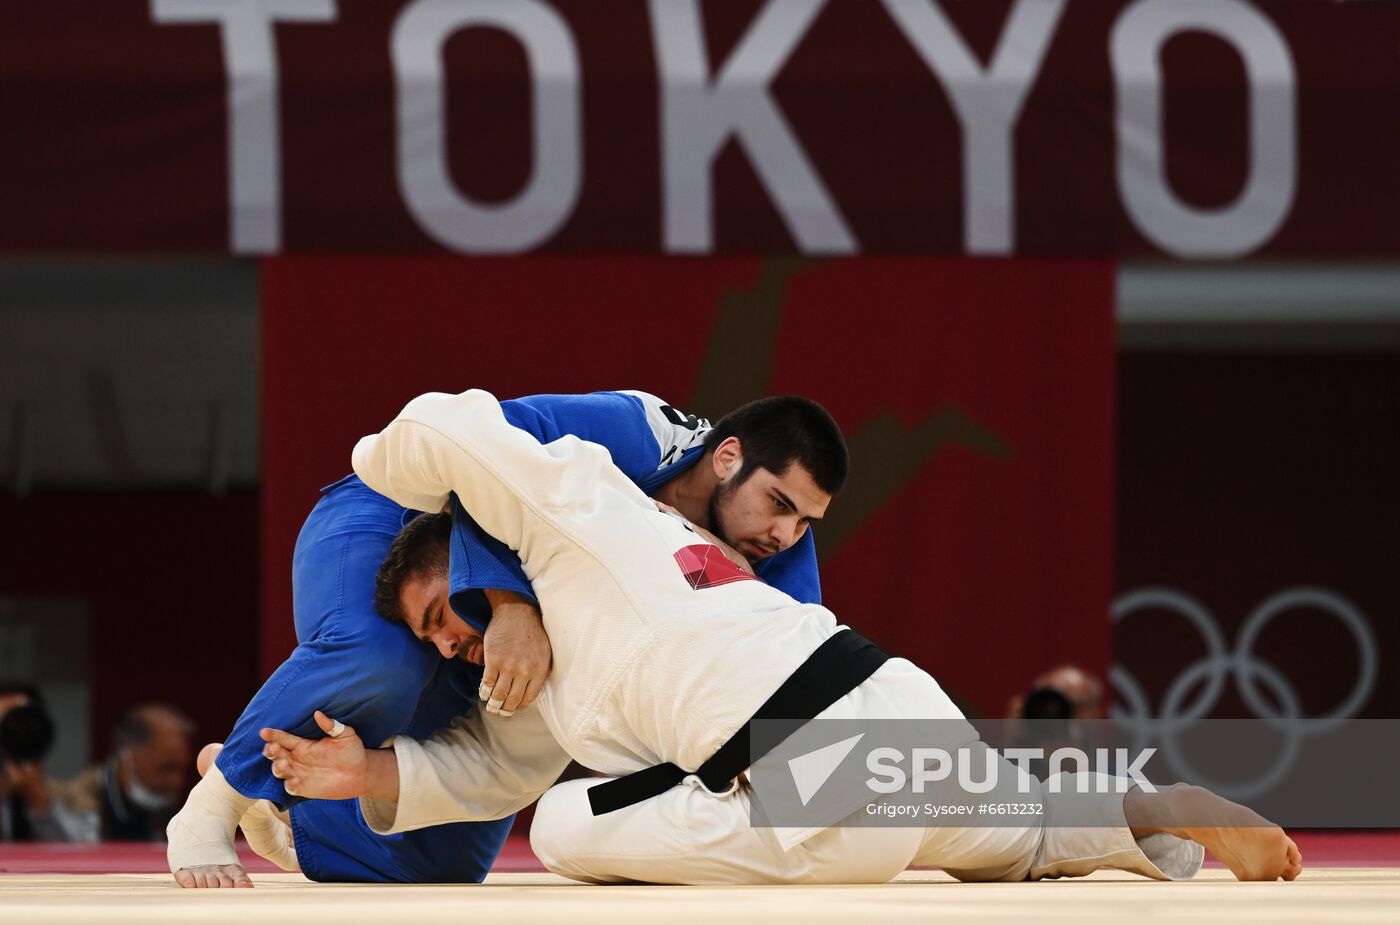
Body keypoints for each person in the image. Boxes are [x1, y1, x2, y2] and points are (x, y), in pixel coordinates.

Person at [262, 389, 1303, 885]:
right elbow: (492, 767)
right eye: (436, 641)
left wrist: (383, 473)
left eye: (448, 612)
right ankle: (1141, 812)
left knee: (569, 822)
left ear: (482, 550)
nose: (452, 646)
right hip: (899, 707)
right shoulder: (652, 581)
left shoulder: (568, 500)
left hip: (805, 775)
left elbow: (440, 424)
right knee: (1006, 828)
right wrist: (374, 774)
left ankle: (1089, 820)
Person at [167, 389, 846, 888]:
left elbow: (788, 689)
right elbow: (470, 453)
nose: (783, 534)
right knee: (386, 659)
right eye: (779, 503)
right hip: (395, 515)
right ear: (727, 457)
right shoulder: (637, 432)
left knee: (449, 857)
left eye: (805, 521)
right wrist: (510, 601)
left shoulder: (780, 557)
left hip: (506, 611)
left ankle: (301, 822)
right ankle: (214, 803)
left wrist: (842, 804)